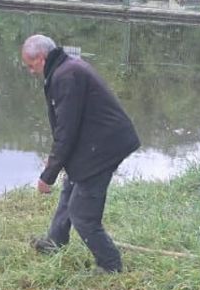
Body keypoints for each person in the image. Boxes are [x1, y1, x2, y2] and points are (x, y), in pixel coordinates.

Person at [20, 34, 140, 273]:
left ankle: (110, 264)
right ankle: (55, 242)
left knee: (82, 213)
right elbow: (69, 127)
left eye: (31, 66)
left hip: (106, 147)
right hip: (97, 141)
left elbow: (66, 130)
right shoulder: (65, 68)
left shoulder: (66, 76)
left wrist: (48, 174)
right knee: (71, 186)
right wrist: (58, 160)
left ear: (42, 58)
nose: (31, 71)